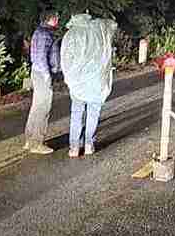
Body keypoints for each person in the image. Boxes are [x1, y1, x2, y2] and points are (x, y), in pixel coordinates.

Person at [59, 11, 117, 157]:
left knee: (77, 113)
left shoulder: (71, 35)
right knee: (93, 113)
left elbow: (65, 59)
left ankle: (74, 147)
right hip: (96, 81)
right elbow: (112, 25)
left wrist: (69, 78)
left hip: (78, 82)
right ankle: (89, 144)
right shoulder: (99, 29)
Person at [22, 11, 60, 155]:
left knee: (36, 106)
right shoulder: (46, 34)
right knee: (43, 108)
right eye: (56, 18)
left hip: (37, 72)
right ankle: (37, 143)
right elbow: (41, 57)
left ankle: (29, 139)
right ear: (51, 19)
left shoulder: (39, 31)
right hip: (42, 74)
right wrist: (47, 76)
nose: (58, 20)